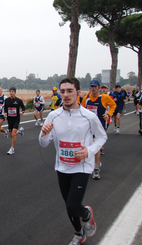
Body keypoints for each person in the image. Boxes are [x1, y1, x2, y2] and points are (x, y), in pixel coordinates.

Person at [39, 78, 106, 245]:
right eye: (63, 91)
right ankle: (79, 233)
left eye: (70, 91)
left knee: (72, 206)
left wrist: (89, 151)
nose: (66, 95)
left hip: (82, 167)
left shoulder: (89, 116)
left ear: (78, 93)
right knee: (68, 204)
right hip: (62, 166)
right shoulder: (53, 115)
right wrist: (44, 133)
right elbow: (43, 143)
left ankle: (87, 215)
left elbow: (102, 136)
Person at [81, 80, 116, 180]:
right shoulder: (86, 98)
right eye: (91, 86)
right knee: (88, 145)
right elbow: (81, 109)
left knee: (96, 145)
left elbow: (113, 105)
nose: (93, 88)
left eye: (95, 86)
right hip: (88, 126)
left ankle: (96, 169)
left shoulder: (104, 97)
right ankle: (95, 161)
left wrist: (108, 114)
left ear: (98, 88)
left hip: (100, 126)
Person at [4, 87, 25, 155]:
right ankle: (20, 131)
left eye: (12, 91)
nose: (11, 93)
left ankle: (12, 149)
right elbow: (5, 107)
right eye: (10, 91)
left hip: (16, 119)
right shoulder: (7, 100)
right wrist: (5, 112)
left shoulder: (18, 100)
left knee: (13, 133)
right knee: (11, 135)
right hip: (10, 119)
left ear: (15, 93)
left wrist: (22, 112)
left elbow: (23, 107)